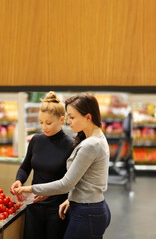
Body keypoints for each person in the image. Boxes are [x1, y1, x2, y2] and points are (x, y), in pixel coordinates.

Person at [15, 93, 111, 239]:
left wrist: (30, 189)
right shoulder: (95, 138)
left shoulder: (89, 145)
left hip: (85, 211)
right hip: (87, 206)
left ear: (88, 117)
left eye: (72, 117)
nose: (69, 121)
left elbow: (66, 184)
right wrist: (70, 198)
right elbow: (84, 179)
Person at [10, 91, 74, 239]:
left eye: (48, 123)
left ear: (62, 120)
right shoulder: (36, 140)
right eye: (41, 122)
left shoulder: (71, 145)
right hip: (34, 206)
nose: (44, 127)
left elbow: (72, 180)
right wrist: (19, 180)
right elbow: (25, 167)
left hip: (57, 209)